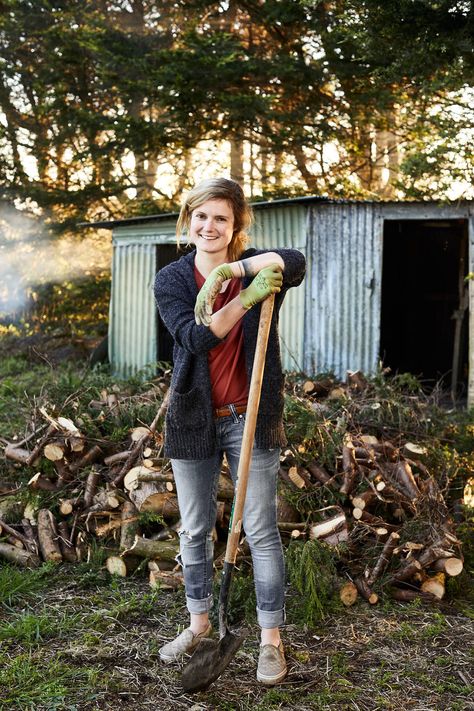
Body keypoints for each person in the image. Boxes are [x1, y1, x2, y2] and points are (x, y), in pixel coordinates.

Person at [154, 177, 305, 685]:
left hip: (251, 415)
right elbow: (195, 338)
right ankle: (199, 624)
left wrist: (238, 272)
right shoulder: (172, 280)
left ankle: (270, 642)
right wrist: (244, 299)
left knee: (260, 530)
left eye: (221, 217)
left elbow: (296, 261)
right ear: (187, 222)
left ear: (236, 224)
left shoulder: (256, 265)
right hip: (193, 418)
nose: (209, 226)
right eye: (201, 216)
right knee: (195, 528)